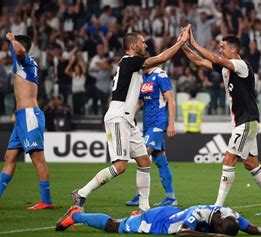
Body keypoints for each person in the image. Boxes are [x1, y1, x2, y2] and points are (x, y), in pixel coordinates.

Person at [71, 26, 191, 213]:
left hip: (127, 119)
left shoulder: (132, 65)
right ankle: (82, 192)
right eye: (143, 42)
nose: (145, 45)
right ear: (134, 45)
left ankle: (144, 207)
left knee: (144, 160)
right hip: (118, 117)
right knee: (120, 166)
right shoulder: (131, 61)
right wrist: (181, 42)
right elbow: (162, 58)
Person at [182, 30, 261, 216]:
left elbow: (216, 60)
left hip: (246, 121)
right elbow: (199, 61)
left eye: (223, 46)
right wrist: (182, 45)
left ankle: (217, 206)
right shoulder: (227, 67)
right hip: (244, 122)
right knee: (251, 162)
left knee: (229, 159)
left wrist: (194, 42)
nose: (220, 48)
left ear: (234, 50)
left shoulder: (241, 65)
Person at [0, 32, 54, 210]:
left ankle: (46, 201)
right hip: (21, 117)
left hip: (29, 115)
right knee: (9, 157)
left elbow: (19, 51)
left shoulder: (24, 59)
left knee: (37, 159)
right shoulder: (26, 62)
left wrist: (11, 39)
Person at [56, 204, 261, 237]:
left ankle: (136, 217)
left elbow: (250, 227)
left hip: (171, 212)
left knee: (126, 222)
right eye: (220, 231)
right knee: (115, 227)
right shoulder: (198, 215)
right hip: (159, 221)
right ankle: (75, 215)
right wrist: (211, 235)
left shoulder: (230, 214)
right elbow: (182, 232)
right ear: (217, 225)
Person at [126, 66, 178, 207]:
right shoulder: (143, 78)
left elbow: (170, 99)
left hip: (159, 122)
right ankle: (171, 197)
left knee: (142, 154)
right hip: (148, 124)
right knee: (160, 158)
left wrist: (171, 124)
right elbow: (140, 102)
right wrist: (128, 116)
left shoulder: (160, 75)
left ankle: (140, 193)